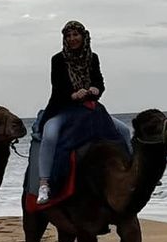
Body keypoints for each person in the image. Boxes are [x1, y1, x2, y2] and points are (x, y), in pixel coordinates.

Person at [33, 20, 130, 203]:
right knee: (50, 135)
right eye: (68, 36)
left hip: (89, 109)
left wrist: (96, 90)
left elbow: (99, 82)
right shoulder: (58, 60)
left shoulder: (92, 58)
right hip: (64, 109)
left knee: (124, 130)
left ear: (83, 36)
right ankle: (44, 183)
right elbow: (58, 88)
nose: (72, 39)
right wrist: (73, 95)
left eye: (75, 35)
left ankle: (131, 171)